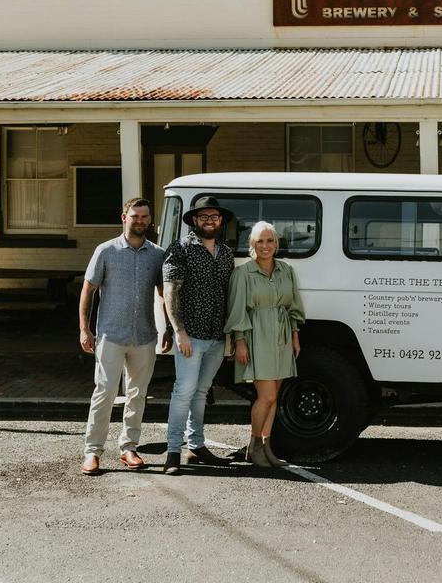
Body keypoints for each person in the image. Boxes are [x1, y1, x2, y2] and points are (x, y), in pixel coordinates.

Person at [79, 197, 168, 475]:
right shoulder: (106, 251)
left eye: (144, 217)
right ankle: (92, 452)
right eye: (135, 216)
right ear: (124, 217)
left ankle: (129, 448)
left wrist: (167, 328)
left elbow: (165, 294)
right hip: (111, 335)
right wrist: (85, 328)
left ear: (150, 220)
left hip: (144, 335)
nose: (140, 221)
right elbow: (88, 290)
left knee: (137, 394)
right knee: (104, 393)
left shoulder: (158, 254)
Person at [161, 196, 236, 475]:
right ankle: (172, 453)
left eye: (214, 216)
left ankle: (197, 446)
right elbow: (170, 291)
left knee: (201, 392)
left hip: (216, 335)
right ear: (194, 220)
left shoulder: (226, 254)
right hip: (190, 335)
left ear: (220, 221)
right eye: (203, 216)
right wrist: (178, 331)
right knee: (183, 392)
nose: (209, 221)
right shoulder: (180, 249)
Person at [224, 221, 305, 468]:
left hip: (281, 335)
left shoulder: (286, 270)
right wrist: (240, 341)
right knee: (266, 395)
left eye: (270, 240)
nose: (265, 246)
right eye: (259, 241)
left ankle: (266, 447)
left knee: (274, 397)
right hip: (256, 335)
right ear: (251, 245)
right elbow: (237, 310)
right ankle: (254, 445)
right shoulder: (243, 273)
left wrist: (294, 335)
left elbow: (293, 306)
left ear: (276, 244)